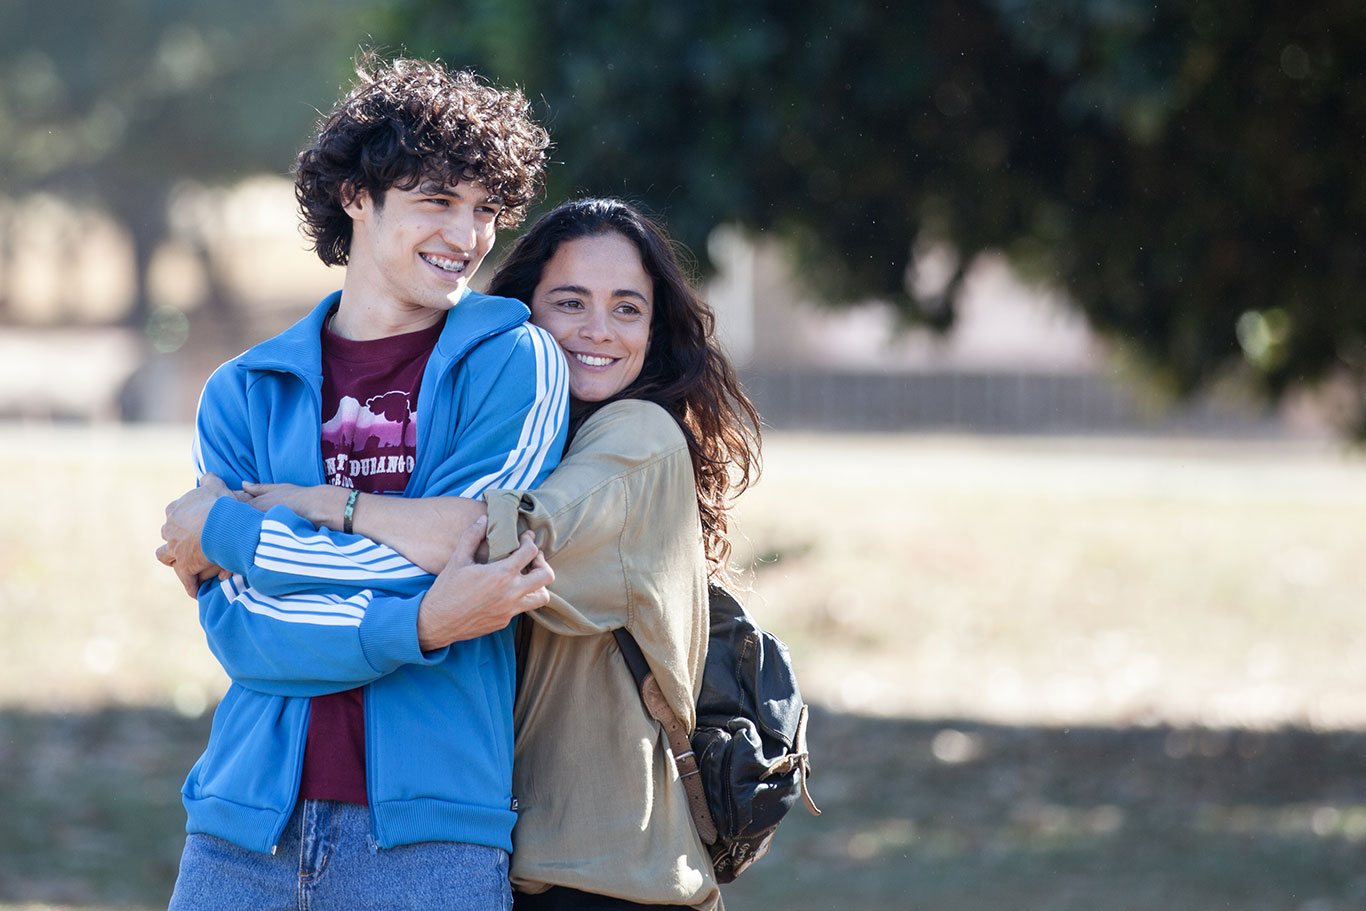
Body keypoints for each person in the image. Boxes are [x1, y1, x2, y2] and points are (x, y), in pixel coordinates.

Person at [232, 198, 762, 910]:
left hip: (607, 880)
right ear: (524, 316)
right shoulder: (539, 443)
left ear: (653, 328)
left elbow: (494, 541)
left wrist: (316, 506)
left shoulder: (638, 437)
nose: (598, 330)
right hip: (526, 866)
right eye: (570, 302)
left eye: (628, 309)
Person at [154, 54, 568, 911]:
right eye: (436, 200)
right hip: (240, 832)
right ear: (356, 197)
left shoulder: (514, 361)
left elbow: (472, 546)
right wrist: (426, 619)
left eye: (485, 208)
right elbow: (245, 624)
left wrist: (247, 528)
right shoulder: (245, 390)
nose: (467, 235)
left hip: (431, 840)